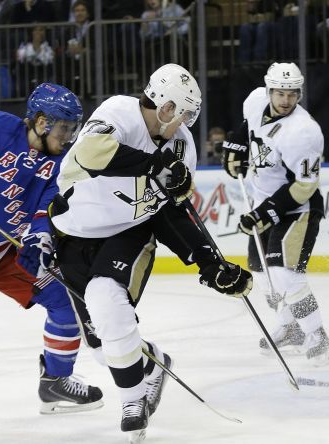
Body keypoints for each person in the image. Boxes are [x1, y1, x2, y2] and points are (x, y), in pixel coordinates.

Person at [49, 64, 253, 440]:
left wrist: (208, 262)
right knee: (100, 344)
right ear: (165, 108)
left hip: (130, 230)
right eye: (185, 114)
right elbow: (93, 153)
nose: (188, 123)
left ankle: (132, 401)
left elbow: (171, 211)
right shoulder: (117, 112)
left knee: (106, 299)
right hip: (74, 233)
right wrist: (153, 166)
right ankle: (151, 368)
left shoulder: (182, 145)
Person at [0, 82, 103, 413]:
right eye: (64, 128)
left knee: (62, 300)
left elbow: (46, 213)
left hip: (2, 255)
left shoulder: (60, 166)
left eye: (73, 129)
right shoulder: (0, 126)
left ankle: (55, 383)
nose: (69, 136)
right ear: (41, 122)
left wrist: (36, 240)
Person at [222, 62, 329, 365]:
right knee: (262, 274)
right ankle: (291, 328)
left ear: (299, 94)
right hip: (263, 203)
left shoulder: (304, 132)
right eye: (280, 93)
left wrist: (266, 213)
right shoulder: (255, 100)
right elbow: (248, 126)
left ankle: (316, 334)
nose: (286, 100)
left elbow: (306, 186)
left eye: (292, 94)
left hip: (298, 208)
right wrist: (235, 145)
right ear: (270, 90)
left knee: (285, 273)